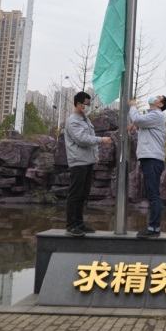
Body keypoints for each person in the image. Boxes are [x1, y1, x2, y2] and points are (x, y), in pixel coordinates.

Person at [64, 91, 111, 237]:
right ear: (78, 104)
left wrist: (95, 156)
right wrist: (100, 140)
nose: (89, 106)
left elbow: (89, 141)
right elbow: (81, 139)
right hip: (78, 161)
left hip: (87, 161)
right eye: (86, 104)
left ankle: (79, 223)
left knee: (83, 194)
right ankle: (71, 225)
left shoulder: (85, 120)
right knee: (75, 194)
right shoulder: (73, 121)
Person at [129, 95, 166, 239]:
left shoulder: (157, 115)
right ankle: (153, 227)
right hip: (149, 158)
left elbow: (137, 119)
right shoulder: (152, 118)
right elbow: (144, 137)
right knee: (151, 194)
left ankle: (154, 228)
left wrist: (133, 106)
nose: (155, 97)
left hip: (152, 159)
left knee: (153, 195)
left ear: (160, 104)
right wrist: (134, 133)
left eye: (159, 97)